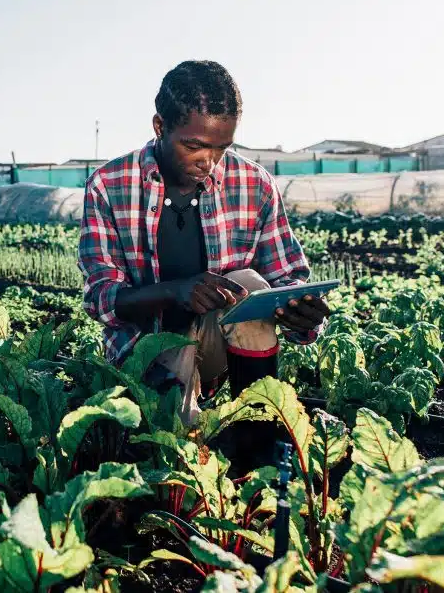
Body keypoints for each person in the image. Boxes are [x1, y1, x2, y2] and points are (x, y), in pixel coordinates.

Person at [77, 60, 329, 467]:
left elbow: (289, 277)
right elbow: (102, 299)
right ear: (160, 126)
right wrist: (173, 291)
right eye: (193, 146)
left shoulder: (254, 184)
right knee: (174, 456)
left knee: (248, 282)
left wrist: (302, 315)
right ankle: (185, 435)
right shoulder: (109, 185)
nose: (208, 161)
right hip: (145, 351)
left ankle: (257, 437)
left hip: (219, 348)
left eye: (220, 147)